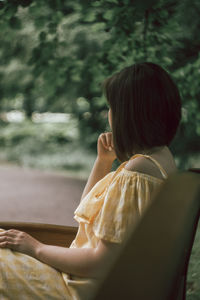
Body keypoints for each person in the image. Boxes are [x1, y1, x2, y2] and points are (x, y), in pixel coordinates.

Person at [0, 62, 182, 299]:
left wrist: (36, 247)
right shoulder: (159, 161)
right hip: (81, 277)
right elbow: (87, 214)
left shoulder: (138, 173)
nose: (109, 115)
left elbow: (100, 263)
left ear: (129, 115)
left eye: (112, 107)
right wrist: (103, 162)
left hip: (81, 288)